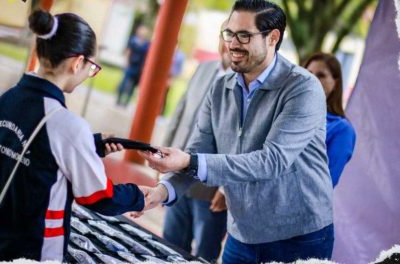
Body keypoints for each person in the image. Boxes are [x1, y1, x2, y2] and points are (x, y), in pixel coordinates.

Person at [136, 0, 335, 263]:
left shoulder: (303, 88)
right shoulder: (220, 88)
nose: (232, 43)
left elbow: (272, 161)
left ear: (272, 38)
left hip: (298, 234)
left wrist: (189, 161)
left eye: (244, 35)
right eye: (229, 33)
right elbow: (199, 150)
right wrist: (162, 192)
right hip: (242, 231)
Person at [0, 10, 144, 262]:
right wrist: (140, 196)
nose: (89, 73)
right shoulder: (66, 125)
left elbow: (30, 155)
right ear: (77, 63)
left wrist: (89, 146)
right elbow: (99, 197)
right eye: (92, 67)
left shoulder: (5, 100)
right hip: (34, 250)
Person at [161, 20, 231, 262]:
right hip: (177, 176)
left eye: (236, 37)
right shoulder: (204, 68)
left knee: (205, 254)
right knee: (169, 245)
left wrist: (225, 189)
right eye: (225, 35)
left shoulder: (247, 84)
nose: (228, 42)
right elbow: (179, 115)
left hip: (211, 188)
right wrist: (162, 160)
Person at [303, 52, 356, 187]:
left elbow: (325, 182)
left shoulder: (342, 129)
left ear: (335, 83)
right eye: (309, 73)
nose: (312, 79)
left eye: (321, 75)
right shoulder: (286, 112)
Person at [116, 24, 150, 107]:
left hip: (139, 67)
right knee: (124, 82)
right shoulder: (133, 40)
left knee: (133, 86)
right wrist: (126, 62)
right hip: (131, 65)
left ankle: (126, 102)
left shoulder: (147, 44)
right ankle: (118, 99)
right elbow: (128, 51)